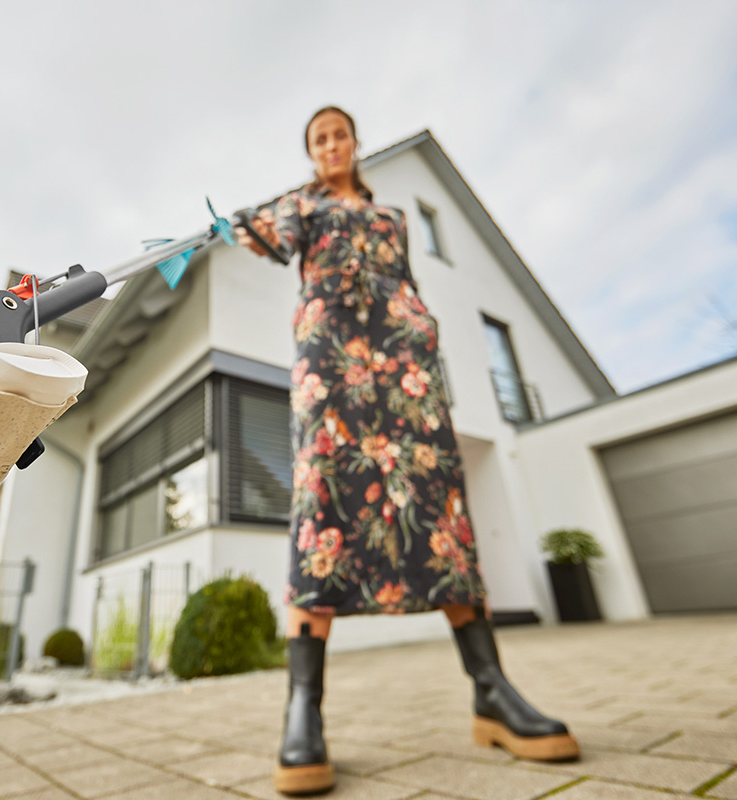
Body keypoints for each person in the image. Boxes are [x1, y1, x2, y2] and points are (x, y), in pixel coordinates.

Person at [236, 106, 580, 796]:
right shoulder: (302, 205)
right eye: (318, 138)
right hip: (330, 361)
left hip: (405, 367)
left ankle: (490, 690)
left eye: (339, 134)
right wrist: (242, 226)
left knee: (438, 507)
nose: (332, 144)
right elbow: (267, 234)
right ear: (312, 154)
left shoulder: (391, 217)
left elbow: (408, 284)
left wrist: (421, 328)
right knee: (325, 502)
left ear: (355, 143)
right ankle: (303, 706)